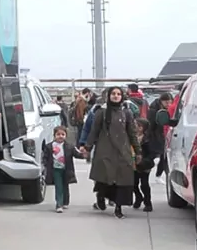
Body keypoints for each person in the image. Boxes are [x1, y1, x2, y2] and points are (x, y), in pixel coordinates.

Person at [84, 86, 139, 219]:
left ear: (122, 96)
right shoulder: (101, 113)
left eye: (118, 94)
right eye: (113, 94)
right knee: (105, 178)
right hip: (105, 151)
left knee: (121, 180)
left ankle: (118, 208)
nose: (115, 96)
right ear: (108, 96)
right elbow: (94, 132)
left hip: (122, 151)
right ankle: (100, 197)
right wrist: (87, 147)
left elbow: (132, 133)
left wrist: (138, 151)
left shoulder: (127, 113)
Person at [42, 125, 82, 213]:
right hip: (55, 169)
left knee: (65, 185)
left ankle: (65, 201)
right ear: (54, 135)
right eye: (58, 134)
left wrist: (83, 154)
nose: (60, 136)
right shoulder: (49, 146)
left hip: (66, 169)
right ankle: (59, 204)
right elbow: (45, 157)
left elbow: (76, 154)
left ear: (66, 136)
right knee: (58, 186)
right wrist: (44, 165)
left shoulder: (69, 146)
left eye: (63, 134)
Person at [131, 118, 156, 212]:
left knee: (144, 184)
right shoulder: (132, 137)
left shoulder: (147, 140)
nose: (133, 127)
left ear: (141, 128)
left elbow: (152, 153)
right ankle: (138, 198)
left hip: (144, 165)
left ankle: (148, 203)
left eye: (135, 125)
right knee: (133, 184)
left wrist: (145, 161)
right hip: (133, 165)